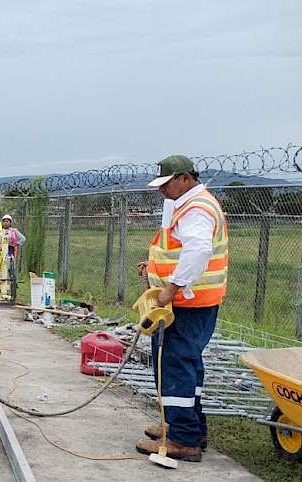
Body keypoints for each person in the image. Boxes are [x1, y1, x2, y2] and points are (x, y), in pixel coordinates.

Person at [135, 155, 229, 462]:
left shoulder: (196, 208)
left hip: (187, 303)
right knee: (187, 364)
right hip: (196, 302)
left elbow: (199, 250)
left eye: (167, 183)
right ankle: (186, 425)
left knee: (175, 364)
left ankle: (183, 439)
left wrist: (171, 288)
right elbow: (177, 250)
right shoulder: (188, 204)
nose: (162, 190)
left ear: (185, 178)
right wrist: (153, 268)